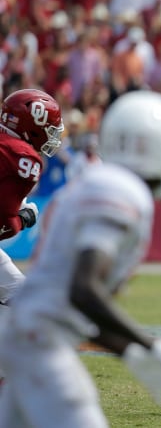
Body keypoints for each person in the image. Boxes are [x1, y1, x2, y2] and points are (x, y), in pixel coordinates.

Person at [0, 91, 161, 427]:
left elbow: (73, 305)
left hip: (32, 335)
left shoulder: (104, 182)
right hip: (39, 342)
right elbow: (83, 291)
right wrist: (150, 347)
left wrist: (129, 350)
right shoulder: (119, 191)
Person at [0, 88, 64, 383]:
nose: (53, 136)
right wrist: (23, 218)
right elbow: (3, 226)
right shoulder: (22, 158)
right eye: (49, 129)